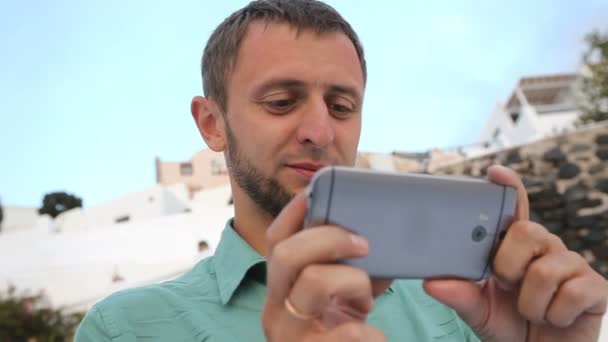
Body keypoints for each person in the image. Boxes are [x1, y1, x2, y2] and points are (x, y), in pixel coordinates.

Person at [75, 0, 607, 340]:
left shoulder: (464, 304)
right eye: (282, 101)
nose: (321, 131)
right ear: (212, 124)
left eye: (342, 106)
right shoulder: (125, 328)